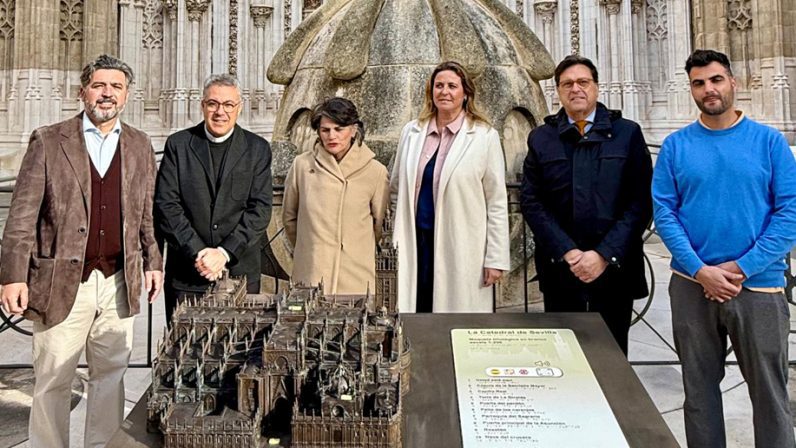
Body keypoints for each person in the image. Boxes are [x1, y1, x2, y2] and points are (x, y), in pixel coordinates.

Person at [0, 54, 163, 448]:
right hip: (59, 279)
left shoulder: (140, 144)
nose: (107, 94)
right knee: (54, 378)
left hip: (117, 281)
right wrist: (12, 276)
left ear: (127, 95)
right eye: (99, 86)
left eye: (116, 87)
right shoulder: (49, 139)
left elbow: (146, 214)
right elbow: (22, 215)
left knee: (110, 377)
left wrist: (152, 261)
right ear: (82, 91)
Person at [653, 49, 796, 447]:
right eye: (699, 83)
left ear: (733, 82)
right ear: (691, 90)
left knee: (770, 394)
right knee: (698, 394)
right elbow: (665, 214)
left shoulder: (768, 142)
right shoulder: (676, 146)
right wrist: (700, 270)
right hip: (691, 285)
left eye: (716, 80)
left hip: (758, 287)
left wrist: (742, 267)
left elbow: (790, 213)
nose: (708, 89)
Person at [520, 55, 653, 355]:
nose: (575, 89)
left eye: (583, 82)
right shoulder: (541, 138)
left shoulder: (627, 133)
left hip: (614, 269)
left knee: (611, 354)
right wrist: (568, 251)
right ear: (557, 90)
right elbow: (531, 200)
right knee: (563, 355)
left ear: (596, 87)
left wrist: (604, 254)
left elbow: (641, 201)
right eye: (567, 84)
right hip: (561, 268)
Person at [390, 61, 510, 313]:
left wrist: (496, 258)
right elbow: (396, 188)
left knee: (456, 318)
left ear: (465, 93)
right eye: (439, 86)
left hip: (461, 243)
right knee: (416, 310)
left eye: (452, 86)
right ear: (431, 92)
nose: (444, 91)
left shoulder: (484, 136)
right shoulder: (412, 132)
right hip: (416, 241)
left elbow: (497, 202)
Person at [154, 74, 272, 324]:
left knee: (237, 354)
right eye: (213, 104)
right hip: (187, 274)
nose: (220, 112)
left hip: (239, 274)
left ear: (239, 107)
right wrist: (198, 252)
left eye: (229, 104)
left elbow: (259, 210)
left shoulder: (258, 149)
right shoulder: (179, 144)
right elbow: (167, 205)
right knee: (184, 353)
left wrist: (224, 253)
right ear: (202, 106)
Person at [282, 97, 389, 294]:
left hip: (355, 275)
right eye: (325, 130)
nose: (332, 136)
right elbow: (289, 219)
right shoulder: (302, 166)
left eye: (339, 129)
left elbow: (380, 226)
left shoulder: (375, 171)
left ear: (353, 130)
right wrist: (312, 248)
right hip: (312, 273)